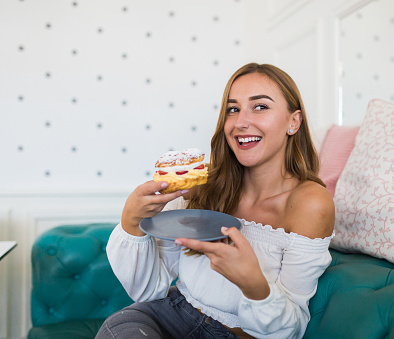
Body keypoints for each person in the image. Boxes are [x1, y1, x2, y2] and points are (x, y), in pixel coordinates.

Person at [96, 63, 335, 339]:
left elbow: (291, 329)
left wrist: (254, 284)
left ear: (294, 122)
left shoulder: (310, 204)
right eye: (233, 109)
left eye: (260, 107)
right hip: (168, 315)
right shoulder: (205, 183)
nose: (240, 122)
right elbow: (148, 290)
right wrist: (132, 221)